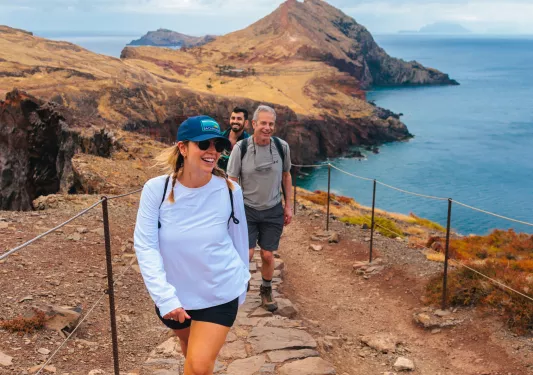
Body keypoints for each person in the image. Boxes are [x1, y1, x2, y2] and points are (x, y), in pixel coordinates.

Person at [134, 115, 250, 375]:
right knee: (190, 350)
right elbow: (145, 245)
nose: (212, 151)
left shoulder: (231, 191)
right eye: (203, 144)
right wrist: (165, 297)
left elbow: (239, 241)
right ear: (183, 148)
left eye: (218, 146)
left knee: (197, 366)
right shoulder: (157, 190)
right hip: (175, 299)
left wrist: (241, 284)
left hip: (220, 294)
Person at [227, 105, 293, 312]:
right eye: (263, 123)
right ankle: (241, 282)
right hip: (247, 209)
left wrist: (288, 206)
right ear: (254, 124)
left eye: (271, 124)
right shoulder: (241, 148)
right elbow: (232, 179)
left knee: (267, 255)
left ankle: (266, 290)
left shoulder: (282, 147)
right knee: (245, 254)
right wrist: (232, 209)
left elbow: (286, 175)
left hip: (273, 209)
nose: (267, 128)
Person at [218, 107, 251, 172]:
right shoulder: (219, 138)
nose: (235, 121)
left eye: (239, 119)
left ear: (246, 122)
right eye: (233, 118)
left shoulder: (249, 143)